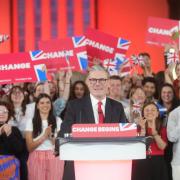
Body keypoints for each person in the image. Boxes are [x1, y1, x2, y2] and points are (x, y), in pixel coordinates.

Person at [59, 65, 127, 180]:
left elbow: (126, 134)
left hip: (110, 167)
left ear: (108, 83)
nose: (97, 83)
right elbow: (64, 133)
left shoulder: (117, 107)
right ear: (88, 83)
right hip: (80, 166)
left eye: (102, 80)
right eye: (93, 80)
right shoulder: (74, 106)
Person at [25, 93, 64, 180]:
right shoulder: (30, 122)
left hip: (54, 156)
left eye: (48, 102)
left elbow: (61, 145)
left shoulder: (58, 120)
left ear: (51, 105)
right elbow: (29, 147)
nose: (45, 105)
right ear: (37, 106)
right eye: (42, 103)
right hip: (35, 156)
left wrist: (51, 137)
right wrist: (44, 136)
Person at [132, 102, 168, 180]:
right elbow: (138, 148)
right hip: (141, 162)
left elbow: (162, 147)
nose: (149, 112)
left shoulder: (163, 128)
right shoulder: (136, 128)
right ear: (143, 114)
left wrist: (155, 133)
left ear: (157, 113)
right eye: (147, 110)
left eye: (153, 110)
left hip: (158, 162)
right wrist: (143, 130)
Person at [0, 101, 23, 179]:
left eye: (5, 112)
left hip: (11, 168)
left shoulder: (14, 130)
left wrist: (10, 134)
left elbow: (19, 150)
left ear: (9, 114)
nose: (2, 113)